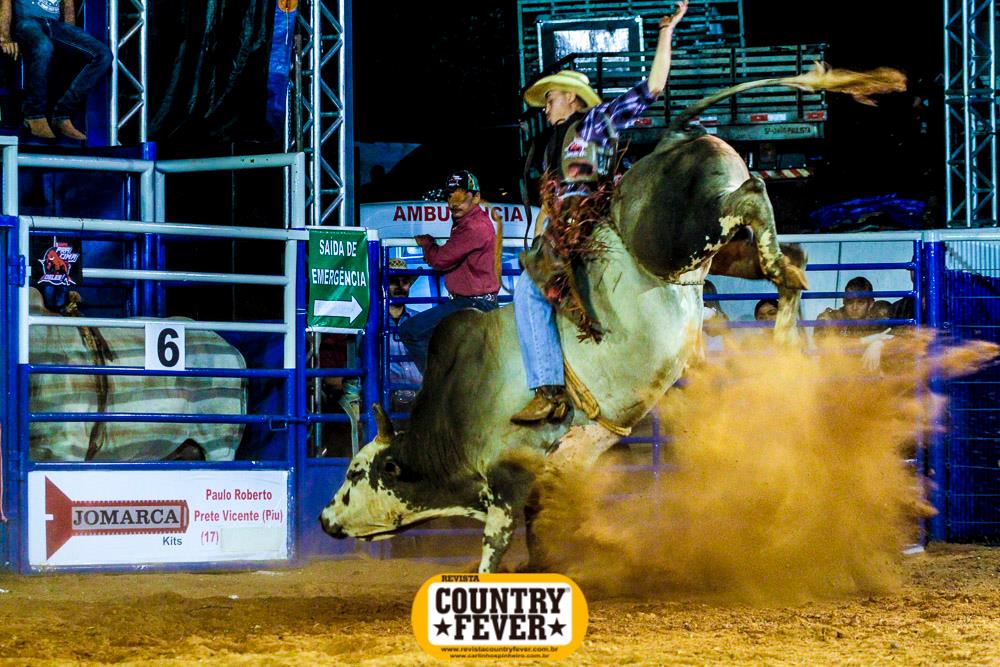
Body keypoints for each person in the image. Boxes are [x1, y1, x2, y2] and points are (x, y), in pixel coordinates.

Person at [510, 1, 688, 424]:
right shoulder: (554, 144)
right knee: (533, 278)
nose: (545, 107)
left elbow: (652, 88)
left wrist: (665, 34)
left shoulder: (592, 123)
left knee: (528, 291)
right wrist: (540, 232)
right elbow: (550, 200)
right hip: (567, 226)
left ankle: (549, 389)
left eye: (551, 98)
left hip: (587, 224)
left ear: (570, 97)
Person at [398, 170, 500, 372]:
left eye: (461, 196)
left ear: (476, 197)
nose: (454, 202)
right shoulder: (471, 222)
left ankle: (438, 381)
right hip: (475, 303)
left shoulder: (473, 227)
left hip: (471, 304)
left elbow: (440, 260)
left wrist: (428, 245)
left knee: (410, 331)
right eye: (450, 196)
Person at [0, 0, 112, 140]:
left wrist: (71, 33)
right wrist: (4, 36)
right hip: (27, 22)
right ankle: (34, 115)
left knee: (103, 55)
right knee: (44, 47)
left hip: (55, 24)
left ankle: (62, 115)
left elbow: (68, 3)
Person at [385, 257, 422, 413]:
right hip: (386, 399)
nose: (400, 287)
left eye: (405, 281)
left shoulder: (421, 321)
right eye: (394, 281)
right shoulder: (373, 323)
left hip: (420, 399)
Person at [816, 276, 892, 339]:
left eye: (860, 302)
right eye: (850, 302)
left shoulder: (879, 320)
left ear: (871, 303)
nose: (854, 308)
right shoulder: (832, 318)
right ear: (844, 300)